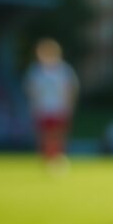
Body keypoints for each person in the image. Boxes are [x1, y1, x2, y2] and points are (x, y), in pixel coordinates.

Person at [25, 38, 78, 167]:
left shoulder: (64, 70)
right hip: (43, 109)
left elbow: (71, 90)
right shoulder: (36, 71)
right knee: (44, 136)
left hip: (59, 108)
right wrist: (34, 107)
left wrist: (69, 107)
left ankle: (58, 159)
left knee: (58, 136)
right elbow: (31, 90)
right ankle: (46, 159)